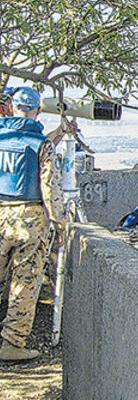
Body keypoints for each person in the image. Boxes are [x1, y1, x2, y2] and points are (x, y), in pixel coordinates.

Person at [0, 87, 66, 362]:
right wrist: (60, 222)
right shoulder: (41, 144)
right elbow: (49, 187)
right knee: (23, 283)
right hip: (31, 219)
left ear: (11, 107)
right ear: (38, 110)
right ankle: (12, 343)